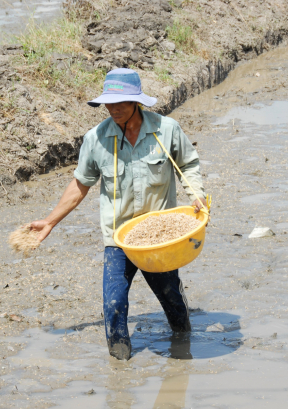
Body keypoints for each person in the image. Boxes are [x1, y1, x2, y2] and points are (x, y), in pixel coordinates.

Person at [30, 68, 206, 360]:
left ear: (137, 102)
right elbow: (79, 185)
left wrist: (195, 193)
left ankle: (182, 342)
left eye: (121, 104)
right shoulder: (96, 139)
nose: (114, 110)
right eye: (109, 104)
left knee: (172, 302)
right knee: (113, 303)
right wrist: (50, 221)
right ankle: (119, 361)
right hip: (119, 237)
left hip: (158, 238)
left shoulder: (166, 130)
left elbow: (188, 164)